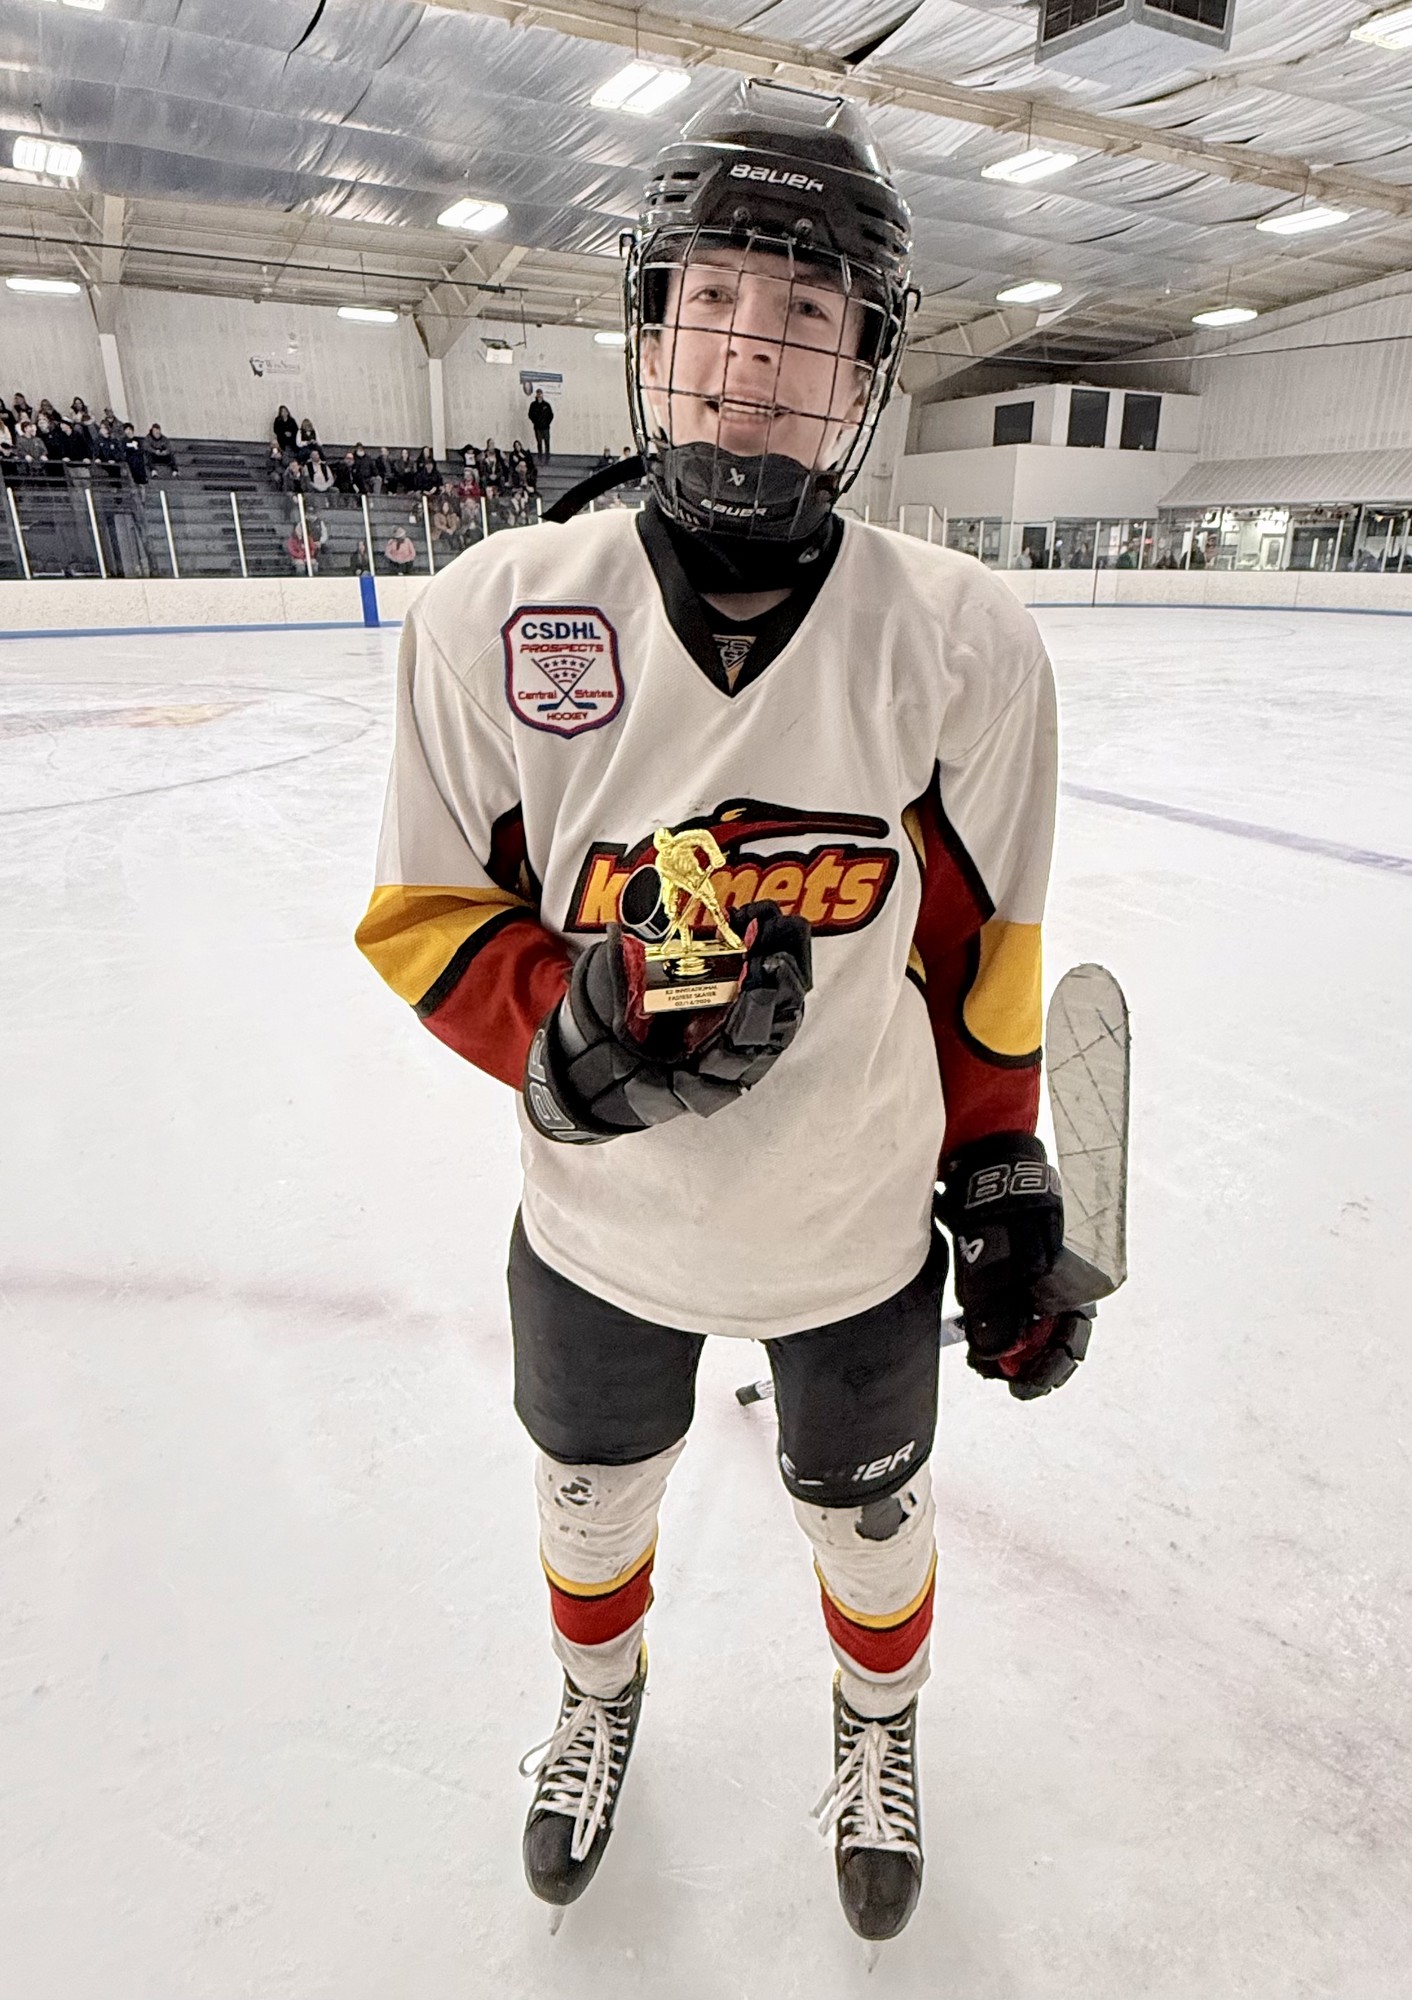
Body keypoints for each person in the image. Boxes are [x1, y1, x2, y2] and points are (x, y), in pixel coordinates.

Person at [355, 81, 1074, 1950]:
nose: (755, 354)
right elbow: (427, 911)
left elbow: (982, 951)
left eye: (809, 312)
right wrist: (563, 1041)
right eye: (718, 302)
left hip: (854, 1229)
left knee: (870, 1523)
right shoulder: (496, 612)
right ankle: (596, 1700)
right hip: (603, 1230)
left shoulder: (966, 637)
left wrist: (1000, 1173)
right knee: (591, 1506)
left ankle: (879, 1725)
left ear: (866, 365)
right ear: (653, 330)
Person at [527, 389, 553, 461]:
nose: (539, 395)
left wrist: (547, 422)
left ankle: (547, 456)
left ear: (542, 394)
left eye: (540, 394)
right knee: (539, 443)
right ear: (536, 395)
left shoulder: (546, 405)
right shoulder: (533, 405)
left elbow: (551, 415)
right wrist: (535, 422)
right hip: (537, 427)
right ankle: (540, 457)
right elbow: (530, 415)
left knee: (547, 442)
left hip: (546, 427)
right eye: (538, 394)